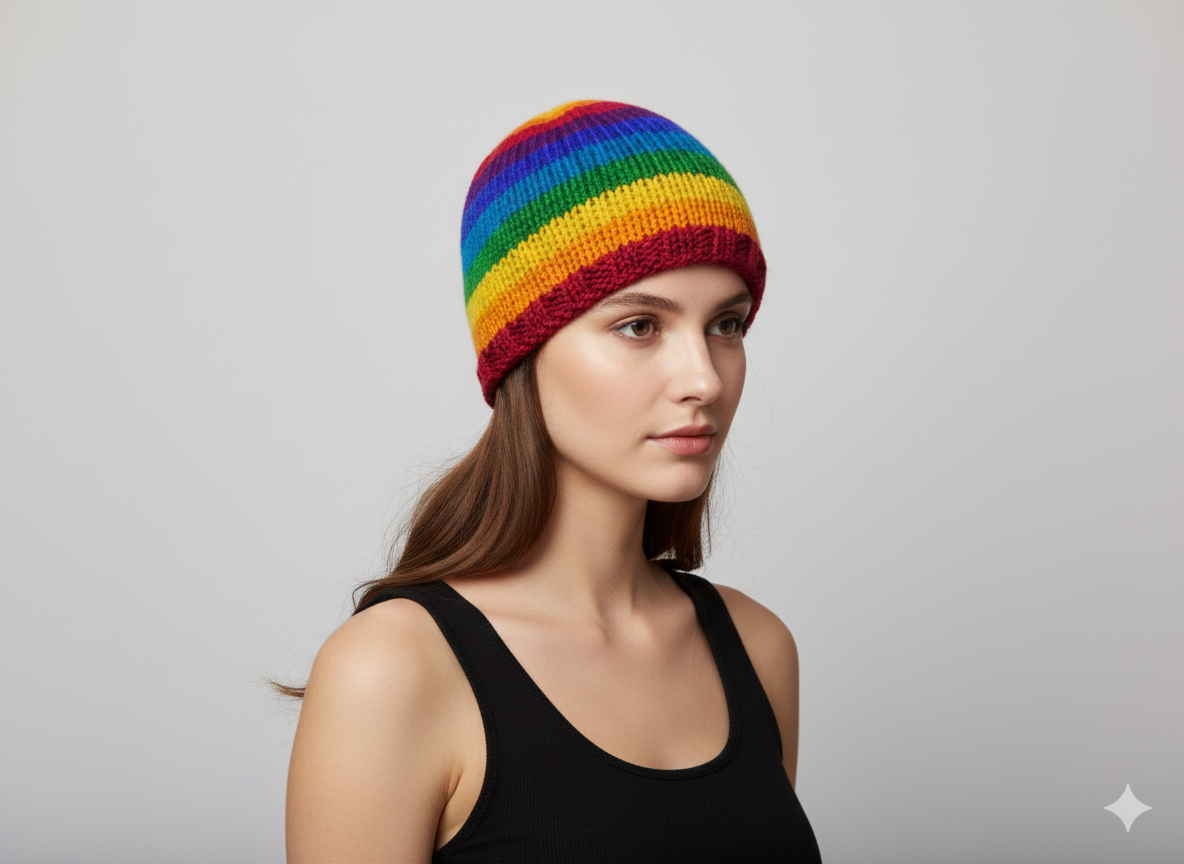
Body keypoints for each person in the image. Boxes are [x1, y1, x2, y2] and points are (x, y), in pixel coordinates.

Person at [283, 100, 822, 863]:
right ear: (522, 354)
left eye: (726, 325)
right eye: (640, 326)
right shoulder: (393, 671)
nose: (704, 378)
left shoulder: (758, 648)